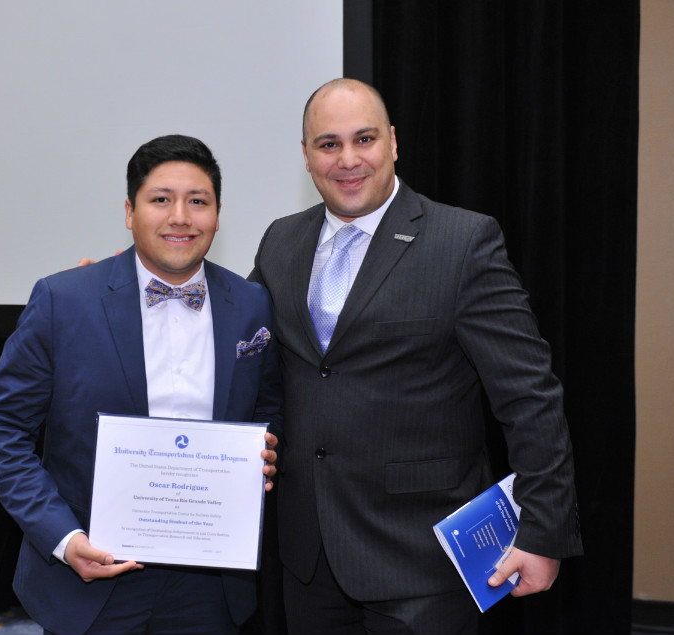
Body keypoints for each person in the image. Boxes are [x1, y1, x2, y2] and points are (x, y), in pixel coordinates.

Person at [248, 78, 583, 634]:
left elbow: (529, 396)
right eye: (328, 144)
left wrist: (543, 532)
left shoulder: (463, 242)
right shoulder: (280, 242)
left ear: (394, 143)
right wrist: (138, 285)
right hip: (309, 560)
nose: (348, 159)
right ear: (306, 156)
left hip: (422, 563)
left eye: (365, 139)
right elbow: (235, 333)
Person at [0, 135, 282, 635]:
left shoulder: (251, 305)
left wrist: (269, 449)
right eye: (160, 199)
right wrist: (63, 537)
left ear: (218, 215)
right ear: (129, 211)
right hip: (90, 574)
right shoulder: (63, 300)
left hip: (210, 584)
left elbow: (271, 409)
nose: (180, 216)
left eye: (197, 201)